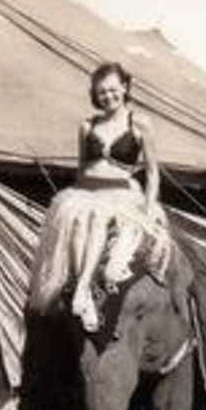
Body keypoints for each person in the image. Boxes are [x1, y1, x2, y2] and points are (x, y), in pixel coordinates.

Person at [27, 62, 169, 332]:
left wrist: (149, 207)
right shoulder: (87, 126)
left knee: (98, 218)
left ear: (125, 87)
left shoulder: (139, 123)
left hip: (123, 194)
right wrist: (81, 198)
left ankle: (83, 289)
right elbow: (81, 168)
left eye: (113, 90)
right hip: (87, 190)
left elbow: (152, 173)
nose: (108, 96)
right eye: (102, 92)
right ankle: (84, 290)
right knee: (81, 219)